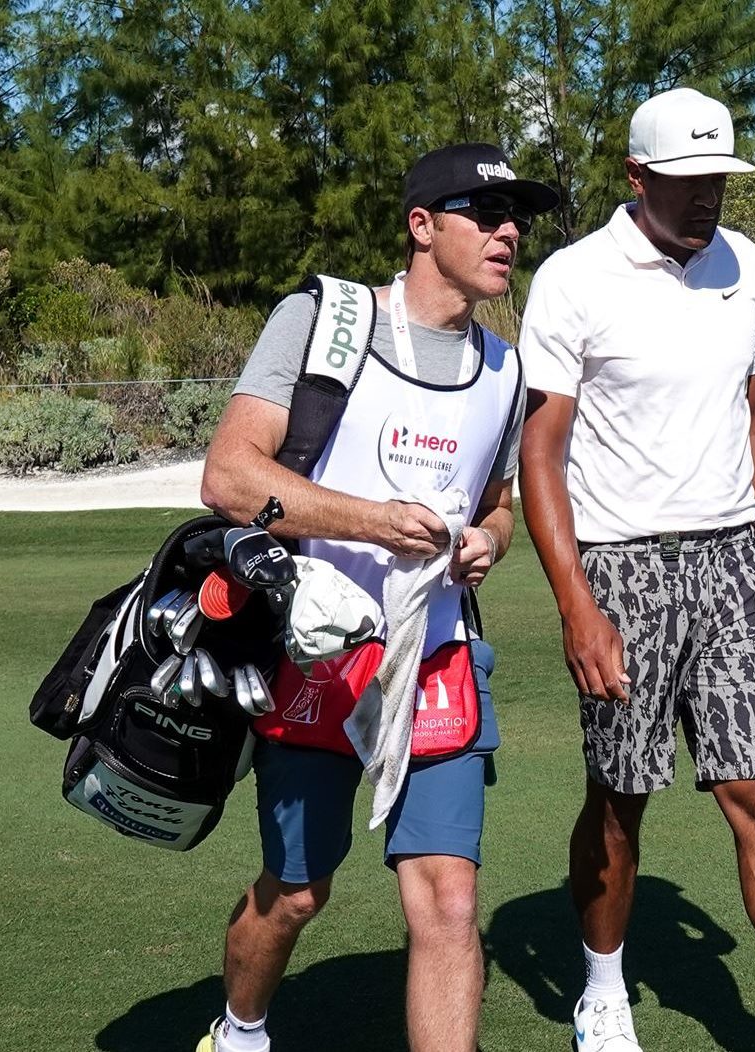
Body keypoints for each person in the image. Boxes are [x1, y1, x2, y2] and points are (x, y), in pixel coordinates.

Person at [517, 88, 755, 1052]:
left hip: (733, 559)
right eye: (689, 182)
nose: (708, 201)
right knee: (620, 797)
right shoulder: (573, 278)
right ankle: (602, 992)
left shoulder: (746, 265)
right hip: (619, 567)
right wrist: (576, 605)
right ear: (636, 176)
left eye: (719, 183)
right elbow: (540, 451)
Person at [196, 142, 558, 1052]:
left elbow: (498, 507)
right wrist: (372, 521)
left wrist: (486, 543)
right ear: (422, 225)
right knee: (299, 891)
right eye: (485, 211)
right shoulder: (322, 321)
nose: (508, 230)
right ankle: (239, 1030)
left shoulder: (507, 371)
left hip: (436, 655)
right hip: (315, 655)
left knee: (449, 894)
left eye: (518, 215)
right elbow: (230, 477)